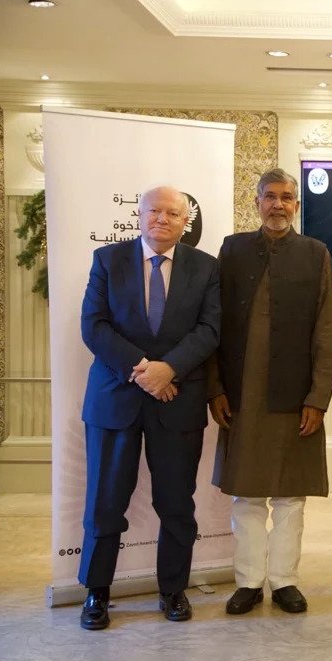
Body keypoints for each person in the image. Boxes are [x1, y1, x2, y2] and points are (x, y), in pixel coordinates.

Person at [78, 186, 221, 630]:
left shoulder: (206, 267)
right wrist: (144, 370)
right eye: (154, 211)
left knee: (176, 502)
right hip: (116, 398)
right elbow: (94, 325)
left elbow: (211, 329)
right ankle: (96, 594)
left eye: (173, 213)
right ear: (139, 216)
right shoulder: (108, 260)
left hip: (178, 401)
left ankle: (173, 589)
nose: (162, 219)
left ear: (186, 221)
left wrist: (169, 369)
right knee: (105, 502)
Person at [208, 168, 332, 615]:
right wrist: (216, 389)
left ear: (296, 205)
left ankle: (284, 581)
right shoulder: (232, 250)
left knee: (289, 494)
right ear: (257, 202)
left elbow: (327, 329)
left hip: (294, 395)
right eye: (270, 197)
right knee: (247, 494)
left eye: (286, 198)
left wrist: (318, 397)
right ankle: (247, 582)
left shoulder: (315, 253)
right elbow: (213, 325)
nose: (278, 205)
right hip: (241, 394)